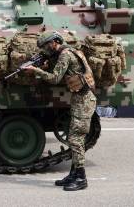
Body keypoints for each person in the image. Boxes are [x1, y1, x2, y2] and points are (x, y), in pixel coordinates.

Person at [23, 31, 96, 191]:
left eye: (46, 46)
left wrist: (37, 71)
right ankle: (73, 173)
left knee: (75, 139)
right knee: (73, 137)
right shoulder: (68, 52)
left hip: (84, 100)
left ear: (55, 42)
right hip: (80, 99)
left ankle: (81, 178)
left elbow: (55, 78)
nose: (45, 50)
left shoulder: (65, 55)